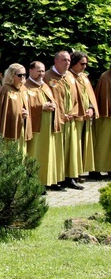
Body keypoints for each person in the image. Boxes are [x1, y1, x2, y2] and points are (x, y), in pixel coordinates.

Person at [44, 51, 83, 190]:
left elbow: (77, 97)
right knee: (57, 151)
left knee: (70, 150)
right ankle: (55, 179)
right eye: (64, 60)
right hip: (57, 121)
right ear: (56, 61)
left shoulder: (70, 76)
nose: (67, 62)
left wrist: (73, 113)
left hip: (70, 119)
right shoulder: (47, 77)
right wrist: (61, 115)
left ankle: (70, 178)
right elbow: (47, 99)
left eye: (68, 60)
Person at [25, 61, 64, 190]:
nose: (41, 73)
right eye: (38, 71)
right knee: (36, 154)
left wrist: (53, 105)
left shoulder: (45, 86)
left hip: (48, 127)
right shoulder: (26, 87)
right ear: (30, 71)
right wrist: (42, 106)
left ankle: (49, 181)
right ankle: (36, 182)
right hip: (36, 128)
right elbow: (25, 106)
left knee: (49, 154)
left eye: (43, 71)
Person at [0, 64, 32, 155]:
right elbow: (2, 111)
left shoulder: (23, 89)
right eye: (19, 75)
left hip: (21, 127)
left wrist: (26, 113)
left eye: (24, 75)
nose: (22, 77)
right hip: (8, 128)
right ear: (11, 76)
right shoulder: (5, 90)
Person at [69, 51, 97, 176]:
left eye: (86, 64)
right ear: (74, 62)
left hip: (86, 116)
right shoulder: (68, 77)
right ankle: (74, 173)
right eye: (82, 64)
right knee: (75, 146)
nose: (84, 66)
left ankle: (80, 171)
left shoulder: (84, 77)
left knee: (84, 146)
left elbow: (90, 95)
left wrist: (91, 108)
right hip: (75, 118)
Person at [94, 65, 111, 176]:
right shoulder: (106, 77)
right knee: (103, 143)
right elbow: (105, 97)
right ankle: (96, 169)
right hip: (106, 116)